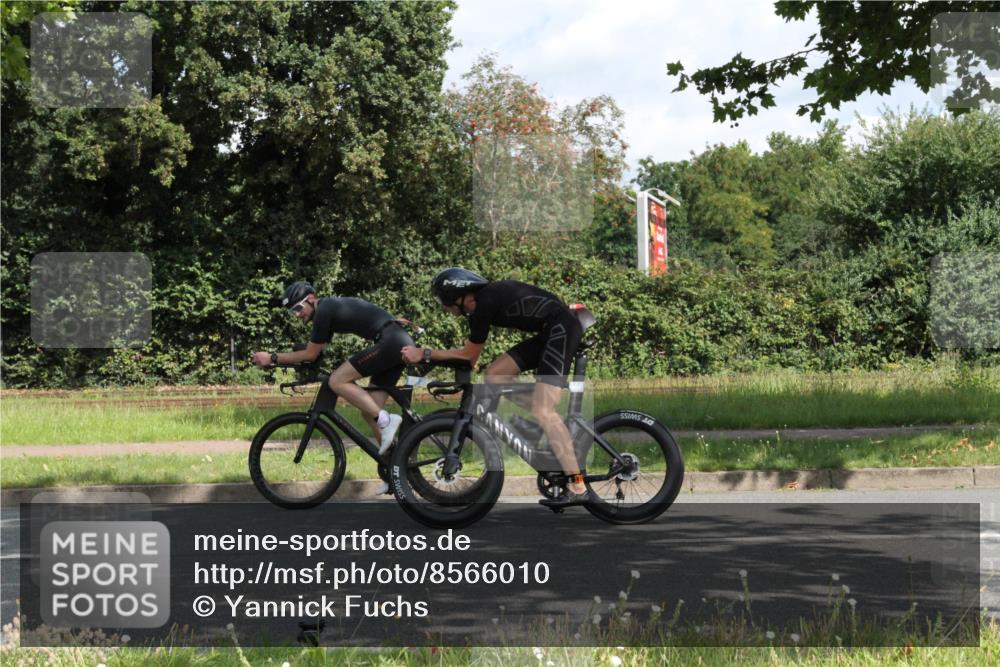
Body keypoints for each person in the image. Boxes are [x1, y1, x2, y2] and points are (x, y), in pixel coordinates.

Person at [400, 268, 589, 508]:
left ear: (458, 297)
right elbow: (472, 360)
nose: (445, 309)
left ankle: (578, 485)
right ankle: (549, 419)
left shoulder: (484, 303)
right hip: (550, 331)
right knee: (494, 376)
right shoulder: (482, 304)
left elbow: (468, 357)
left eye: (445, 303)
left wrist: (425, 353)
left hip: (561, 329)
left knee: (544, 410)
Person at [253, 281, 411, 494]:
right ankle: (395, 470)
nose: (297, 315)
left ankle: (387, 419)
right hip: (396, 341)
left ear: (311, 299)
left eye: (298, 308)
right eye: (292, 312)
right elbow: (316, 353)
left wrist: (272, 358)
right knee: (369, 410)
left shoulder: (323, 311)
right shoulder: (327, 311)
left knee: (337, 381)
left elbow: (310, 354)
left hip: (390, 342)